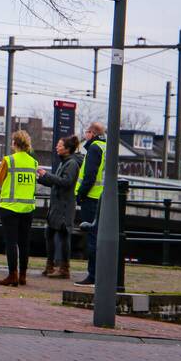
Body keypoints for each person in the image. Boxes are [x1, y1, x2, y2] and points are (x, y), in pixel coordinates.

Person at [0, 130, 38, 287]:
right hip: (27, 207)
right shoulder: (33, 162)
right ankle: (23, 276)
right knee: (24, 243)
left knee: (11, 242)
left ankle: (13, 275)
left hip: (10, 206)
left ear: (14, 143)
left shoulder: (9, 160)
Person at [36, 135, 82, 279]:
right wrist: (41, 178)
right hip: (57, 205)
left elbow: (66, 182)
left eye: (60, 145)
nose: (57, 147)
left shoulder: (71, 164)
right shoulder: (65, 162)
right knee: (50, 234)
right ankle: (51, 266)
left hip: (64, 206)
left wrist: (47, 175)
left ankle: (64, 268)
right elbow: (57, 182)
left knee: (63, 235)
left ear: (67, 149)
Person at [75, 122, 107, 287]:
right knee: (101, 238)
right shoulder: (106, 147)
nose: (85, 135)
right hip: (103, 198)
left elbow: (90, 175)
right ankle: (100, 274)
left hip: (92, 198)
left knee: (92, 237)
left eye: (86, 132)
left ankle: (92, 276)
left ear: (92, 133)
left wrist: (80, 194)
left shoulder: (94, 148)